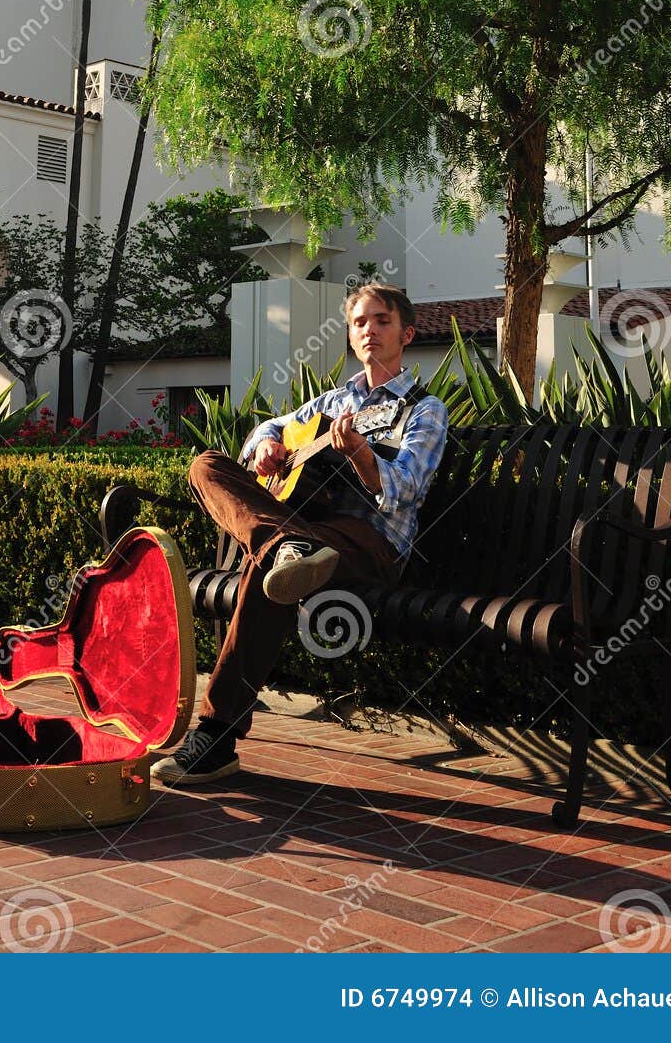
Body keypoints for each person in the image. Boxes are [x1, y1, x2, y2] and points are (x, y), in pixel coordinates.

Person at [152, 283, 449, 787]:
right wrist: (266, 446)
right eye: (360, 323)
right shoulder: (334, 400)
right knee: (207, 465)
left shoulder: (423, 410)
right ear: (351, 337)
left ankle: (218, 736)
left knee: (269, 565)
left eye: (381, 321)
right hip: (308, 535)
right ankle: (287, 546)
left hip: (370, 541)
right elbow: (270, 426)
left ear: (407, 333)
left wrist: (359, 452)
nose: (369, 330)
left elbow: (405, 490)